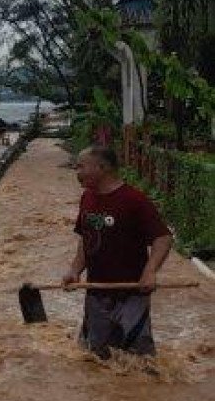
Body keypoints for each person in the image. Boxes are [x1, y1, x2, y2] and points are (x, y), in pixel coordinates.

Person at [60, 145, 173, 359]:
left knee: (140, 358)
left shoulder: (134, 200)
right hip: (96, 291)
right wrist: (75, 270)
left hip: (131, 293)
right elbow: (86, 238)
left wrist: (150, 272)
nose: (77, 172)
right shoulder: (87, 198)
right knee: (95, 357)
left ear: (102, 167)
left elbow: (163, 237)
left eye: (82, 166)